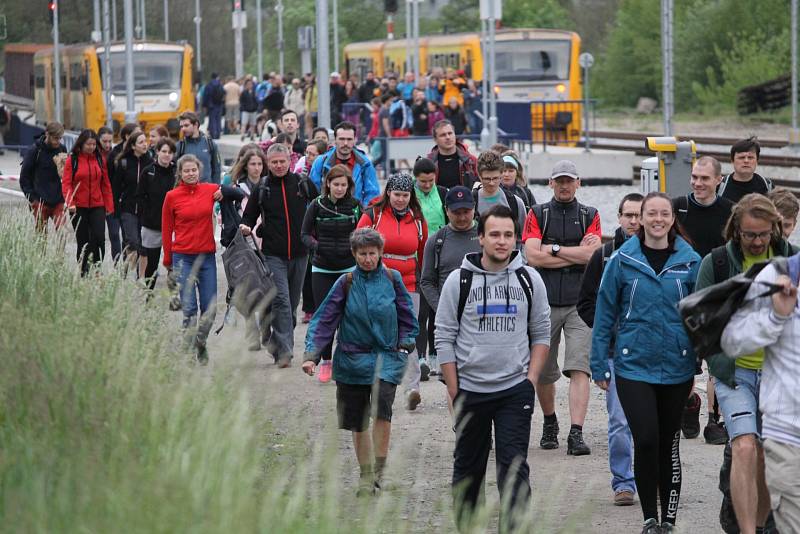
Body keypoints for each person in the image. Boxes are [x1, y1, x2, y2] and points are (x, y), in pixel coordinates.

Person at [436, 204, 551, 532]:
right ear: (481, 238)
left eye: (508, 235)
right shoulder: (459, 281)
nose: (502, 241)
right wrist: (454, 388)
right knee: (468, 473)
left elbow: (541, 333)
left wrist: (530, 380)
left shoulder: (530, 280)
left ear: (516, 238)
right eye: (495, 235)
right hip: (469, 390)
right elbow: (443, 336)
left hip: (514, 390)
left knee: (514, 470)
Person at [591, 192, 700, 534]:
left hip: (677, 366)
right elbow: (605, 311)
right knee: (647, 438)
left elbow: (702, 314)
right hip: (633, 365)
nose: (656, 219)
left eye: (663, 213)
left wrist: (700, 355)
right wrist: (598, 363)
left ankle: (668, 521)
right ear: (640, 218)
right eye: (650, 213)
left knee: (668, 442)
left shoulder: (690, 260)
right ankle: (649, 519)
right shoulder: (623, 259)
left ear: (671, 218)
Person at [699, 194, 794, 534]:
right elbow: (701, 320)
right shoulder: (718, 263)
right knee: (743, 445)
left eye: (764, 234)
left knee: (767, 452)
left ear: (775, 230)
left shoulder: (791, 261)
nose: (756, 242)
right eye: (750, 234)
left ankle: (758, 524)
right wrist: (718, 358)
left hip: (777, 376)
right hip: (734, 373)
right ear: (736, 230)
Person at [303, 228, 419, 495]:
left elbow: (407, 316)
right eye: (363, 254)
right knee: (358, 421)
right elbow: (324, 319)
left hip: (387, 358)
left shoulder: (392, 278)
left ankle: (379, 471)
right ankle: (366, 476)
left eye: (372, 253)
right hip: (352, 361)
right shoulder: (346, 282)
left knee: (382, 411)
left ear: (380, 253)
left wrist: (406, 342)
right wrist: (312, 355)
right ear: (354, 254)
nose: (368, 259)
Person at [523, 159, 601, 455]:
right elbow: (532, 257)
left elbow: (592, 256)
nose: (565, 185)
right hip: (543, 302)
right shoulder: (537, 213)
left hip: (580, 303)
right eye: (560, 180)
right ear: (550, 183)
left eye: (570, 180)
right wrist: (575, 253)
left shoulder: (590, 214)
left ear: (578, 183)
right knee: (543, 371)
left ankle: (576, 432)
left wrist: (552, 249)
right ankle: (550, 420)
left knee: (579, 368)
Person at [721, 252, 800, 534]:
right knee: (745, 446)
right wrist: (776, 315)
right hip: (787, 429)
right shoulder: (781, 275)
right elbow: (730, 340)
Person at [577, 192, 643, 507]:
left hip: (650, 354)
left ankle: (651, 476)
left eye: (638, 215)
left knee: (650, 423)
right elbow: (586, 302)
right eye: (628, 215)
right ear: (619, 217)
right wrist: (608, 331)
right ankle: (623, 482)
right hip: (617, 354)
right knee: (619, 422)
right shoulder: (603, 256)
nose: (634, 221)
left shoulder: (661, 254)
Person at [672, 155, 734, 444]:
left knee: (717, 359)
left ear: (718, 180)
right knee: (686, 362)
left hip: (720, 297)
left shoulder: (730, 212)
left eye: (704, 178)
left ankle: (715, 419)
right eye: (695, 177)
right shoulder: (678, 208)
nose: (698, 182)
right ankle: (690, 403)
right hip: (686, 296)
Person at [239, 144, 318, 366]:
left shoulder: (302, 183)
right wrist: (245, 227)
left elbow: (320, 206)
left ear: (288, 160)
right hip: (273, 254)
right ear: (268, 163)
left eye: (282, 161)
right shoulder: (262, 188)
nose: (279, 165)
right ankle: (285, 353)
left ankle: (273, 338)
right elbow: (248, 216)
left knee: (291, 305)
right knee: (282, 300)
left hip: (301, 253)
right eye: (274, 162)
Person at [357, 173, 428, 409]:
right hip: (377, 280)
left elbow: (423, 250)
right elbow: (357, 244)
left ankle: (412, 388)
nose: (400, 199)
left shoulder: (417, 220)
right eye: (396, 194)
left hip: (408, 283)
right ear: (388, 193)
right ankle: (370, 383)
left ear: (411, 196)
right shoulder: (373, 215)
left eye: (405, 195)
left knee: (408, 334)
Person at [162, 154, 231, 364]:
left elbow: (234, 189)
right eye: (186, 171)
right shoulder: (172, 196)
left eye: (194, 170)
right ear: (180, 173)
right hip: (182, 257)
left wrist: (223, 191)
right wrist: (167, 260)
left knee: (209, 309)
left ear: (199, 171)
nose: (191, 174)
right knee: (190, 308)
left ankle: (200, 342)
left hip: (206, 256)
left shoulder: (210, 190)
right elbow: (167, 230)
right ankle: (190, 350)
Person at [301, 164, 362, 383]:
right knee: (326, 314)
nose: (339, 189)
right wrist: (317, 247)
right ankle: (325, 360)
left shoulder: (355, 206)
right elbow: (305, 234)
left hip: (348, 268)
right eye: (335, 184)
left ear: (349, 186)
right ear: (328, 184)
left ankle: (345, 359)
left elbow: (363, 233)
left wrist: (356, 250)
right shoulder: (316, 205)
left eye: (343, 185)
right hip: (322, 268)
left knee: (350, 314)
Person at [419, 185, 481, 377]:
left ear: (474, 208)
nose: (462, 217)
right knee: (452, 376)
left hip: (482, 315)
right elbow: (427, 281)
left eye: (466, 212)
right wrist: (442, 309)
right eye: (456, 212)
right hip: (449, 318)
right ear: (446, 211)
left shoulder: (486, 235)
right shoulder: (437, 240)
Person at [62, 129, 114, 275]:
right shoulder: (72, 160)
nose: (91, 147)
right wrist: (70, 202)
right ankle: (84, 270)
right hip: (78, 207)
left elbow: (105, 184)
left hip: (98, 205)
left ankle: (97, 268)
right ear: (81, 144)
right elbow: (66, 184)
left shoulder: (99, 159)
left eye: (93, 144)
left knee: (99, 238)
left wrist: (109, 205)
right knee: (84, 241)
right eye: (88, 144)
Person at [413, 157, 448, 376]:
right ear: (416, 178)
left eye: (430, 181)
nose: (427, 185)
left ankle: (436, 355)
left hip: (441, 256)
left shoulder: (442, 193)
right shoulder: (410, 196)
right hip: (417, 257)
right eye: (423, 181)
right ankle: (420, 356)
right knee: (421, 311)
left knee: (438, 308)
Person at [136, 137, 176, 290]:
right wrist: (146, 214)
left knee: (173, 264)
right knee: (151, 264)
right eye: (164, 151)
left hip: (172, 227)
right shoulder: (148, 172)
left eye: (170, 152)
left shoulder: (176, 172)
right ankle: (148, 295)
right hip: (152, 225)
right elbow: (139, 197)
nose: (167, 155)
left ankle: (174, 296)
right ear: (157, 152)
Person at [309, 121, 380, 206]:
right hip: (326, 215)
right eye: (342, 139)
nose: (345, 143)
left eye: (349, 139)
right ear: (335, 140)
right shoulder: (320, 162)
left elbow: (373, 194)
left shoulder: (365, 164)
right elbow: (312, 193)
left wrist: (362, 213)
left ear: (355, 140)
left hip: (355, 215)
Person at [114, 129, 153, 271]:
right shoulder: (123, 162)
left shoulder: (150, 162)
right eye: (141, 142)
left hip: (145, 209)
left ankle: (139, 275)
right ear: (133, 146)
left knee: (143, 245)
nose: (145, 144)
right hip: (128, 208)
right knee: (132, 241)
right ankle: (128, 271)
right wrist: (115, 208)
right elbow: (116, 187)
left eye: (145, 141)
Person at [19, 121, 67, 231]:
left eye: (60, 138)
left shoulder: (62, 149)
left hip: (58, 200)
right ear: (47, 134)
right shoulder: (35, 150)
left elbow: (66, 176)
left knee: (63, 234)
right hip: (39, 201)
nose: (58, 141)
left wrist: (64, 171)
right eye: (55, 138)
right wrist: (32, 199)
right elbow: (24, 178)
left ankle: (59, 249)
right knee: (41, 239)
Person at [472, 151, 527, 246]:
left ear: (501, 174)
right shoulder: (471, 201)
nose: (492, 183)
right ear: (479, 176)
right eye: (487, 179)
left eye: (496, 178)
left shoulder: (515, 203)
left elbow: (523, 238)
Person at [427, 120, 478, 190]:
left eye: (450, 133)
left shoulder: (471, 161)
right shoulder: (428, 163)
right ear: (435, 139)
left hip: (465, 200)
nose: (448, 137)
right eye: (443, 135)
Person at [719, 137, 772, 203]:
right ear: (732, 161)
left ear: (757, 161)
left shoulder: (767, 185)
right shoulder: (720, 186)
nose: (746, 161)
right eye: (741, 157)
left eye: (750, 157)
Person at [176, 111, 221, 184]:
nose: (183, 129)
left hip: (207, 190)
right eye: (181, 126)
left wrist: (217, 188)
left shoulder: (210, 144)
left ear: (196, 124)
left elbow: (217, 169)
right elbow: (176, 171)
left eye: (186, 125)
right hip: (188, 191)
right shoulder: (180, 146)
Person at [202, 73, 225, 139]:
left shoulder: (209, 85)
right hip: (219, 104)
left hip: (211, 105)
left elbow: (205, 96)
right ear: (217, 77)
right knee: (218, 119)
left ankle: (213, 134)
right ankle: (218, 134)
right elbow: (224, 93)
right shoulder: (220, 84)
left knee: (212, 119)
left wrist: (204, 105)